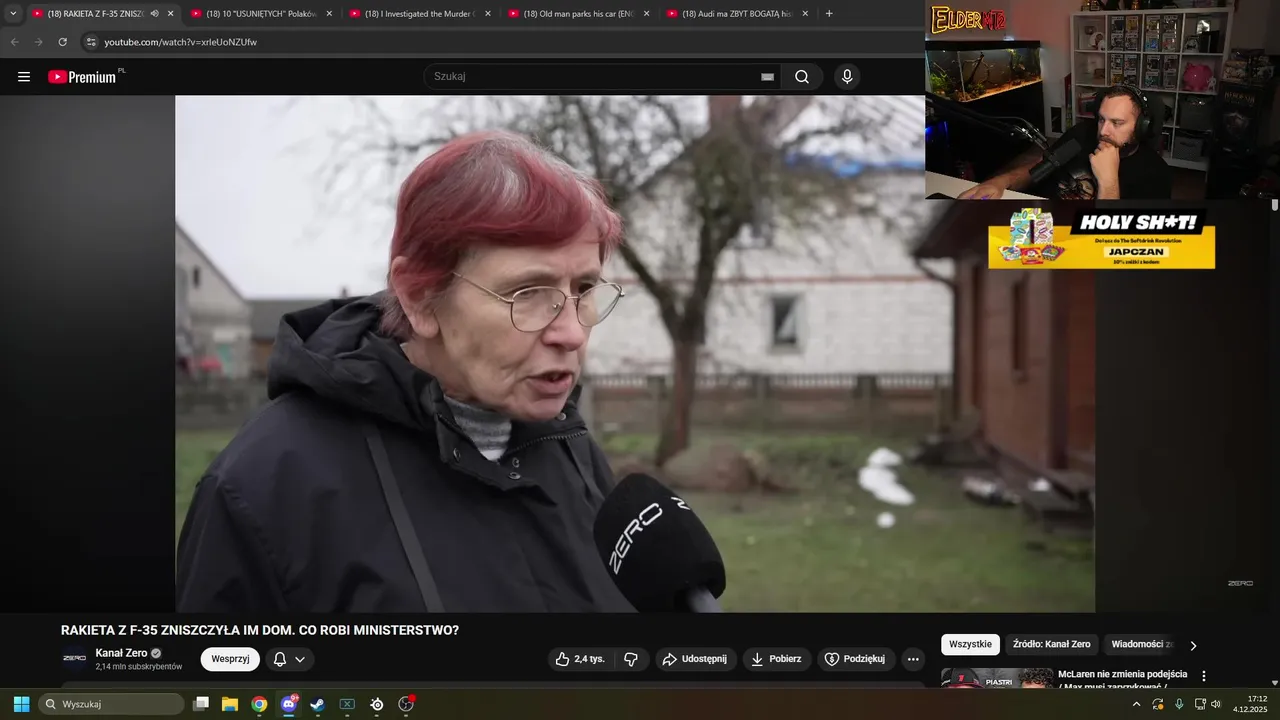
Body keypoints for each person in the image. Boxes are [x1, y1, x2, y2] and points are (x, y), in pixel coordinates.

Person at [176, 130, 637, 612]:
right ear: (419, 297)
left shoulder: (571, 448)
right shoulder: (263, 488)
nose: (572, 333)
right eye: (528, 294)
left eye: (585, 289)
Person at [958, 83, 1173, 200]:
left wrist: (1108, 182)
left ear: (1142, 127)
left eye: (1117, 123)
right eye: (1101, 119)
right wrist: (1002, 181)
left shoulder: (1155, 174)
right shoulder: (1081, 135)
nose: (1103, 131)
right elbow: (1040, 168)